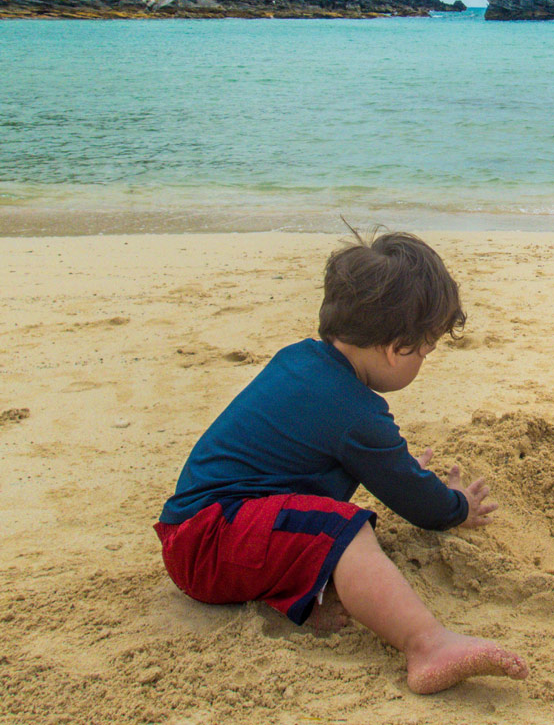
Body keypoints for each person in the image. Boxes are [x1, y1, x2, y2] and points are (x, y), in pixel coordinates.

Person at [154, 230, 529, 694]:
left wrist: (392, 463)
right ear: (397, 349)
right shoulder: (356, 413)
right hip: (208, 542)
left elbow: (315, 456)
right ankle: (427, 644)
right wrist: (455, 505)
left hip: (204, 532)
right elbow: (416, 501)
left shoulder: (300, 361)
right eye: (426, 351)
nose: (423, 361)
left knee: (318, 523)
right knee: (345, 528)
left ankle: (304, 592)